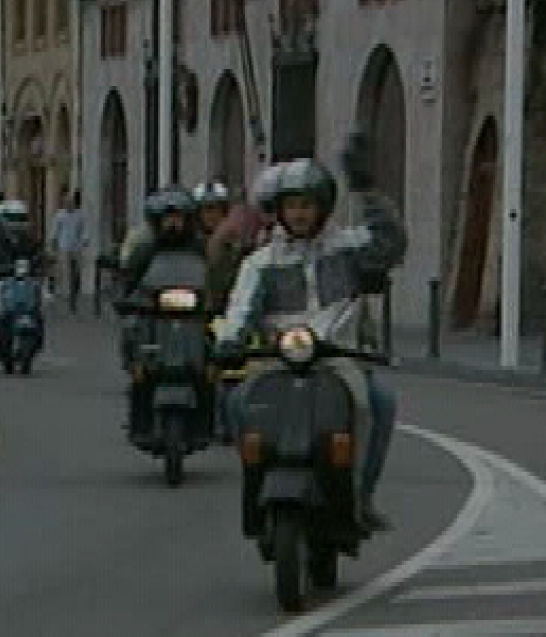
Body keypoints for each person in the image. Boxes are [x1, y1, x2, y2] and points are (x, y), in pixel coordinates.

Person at [215, 139, 406, 528]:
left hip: (338, 359)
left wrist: (368, 191)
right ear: (279, 211)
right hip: (276, 361)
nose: (299, 214)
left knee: (379, 402)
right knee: (237, 405)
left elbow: (391, 243)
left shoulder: (347, 248)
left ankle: (360, 495)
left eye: (306, 205)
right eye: (291, 206)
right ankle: (257, 482)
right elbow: (240, 307)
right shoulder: (261, 263)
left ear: (322, 207)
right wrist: (231, 340)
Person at [121, 186, 208, 440]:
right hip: (153, 316)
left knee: (212, 351)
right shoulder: (145, 249)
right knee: (133, 334)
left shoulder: (199, 248)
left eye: (178, 218)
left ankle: (209, 417)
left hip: (193, 316)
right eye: (168, 218)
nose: (173, 224)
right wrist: (126, 299)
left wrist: (218, 300)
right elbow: (128, 280)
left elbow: (214, 277)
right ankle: (139, 414)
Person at [0, 198, 45, 357]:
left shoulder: (30, 241)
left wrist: (43, 264)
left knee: (37, 304)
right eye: (13, 219)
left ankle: (37, 337)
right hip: (1, 282)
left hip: (25, 281)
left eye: (21, 219)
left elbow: (39, 255)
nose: (17, 223)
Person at [50, 190, 90, 313]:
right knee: (66, 272)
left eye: (71, 202)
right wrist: (53, 242)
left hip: (76, 248)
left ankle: (74, 292)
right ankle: (68, 296)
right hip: (64, 247)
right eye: (67, 202)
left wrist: (85, 239)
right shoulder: (60, 215)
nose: (69, 204)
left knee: (77, 272)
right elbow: (55, 230)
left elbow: (84, 229)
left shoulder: (80, 215)